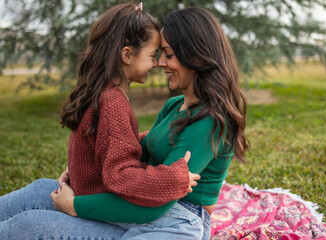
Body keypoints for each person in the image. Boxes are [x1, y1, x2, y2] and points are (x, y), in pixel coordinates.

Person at [0, 3, 202, 239]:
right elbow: (122, 176)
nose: (157, 63)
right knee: (30, 216)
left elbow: (109, 140)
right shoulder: (113, 103)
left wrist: (146, 138)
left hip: (88, 192)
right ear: (127, 55)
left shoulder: (101, 92)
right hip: (99, 201)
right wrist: (173, 178)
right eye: (152, 55)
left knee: (31, 205)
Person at [52, 6, 249, 240]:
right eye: (159, 53)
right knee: (36, 201)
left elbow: (160, 202)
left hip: (179, 220)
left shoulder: (210, 121)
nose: (160, 62)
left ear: (196, 56)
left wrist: (75, 205)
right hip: (141, 206)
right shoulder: (173, 106)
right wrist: (83, 169)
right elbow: (137, 157)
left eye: (168, 54)